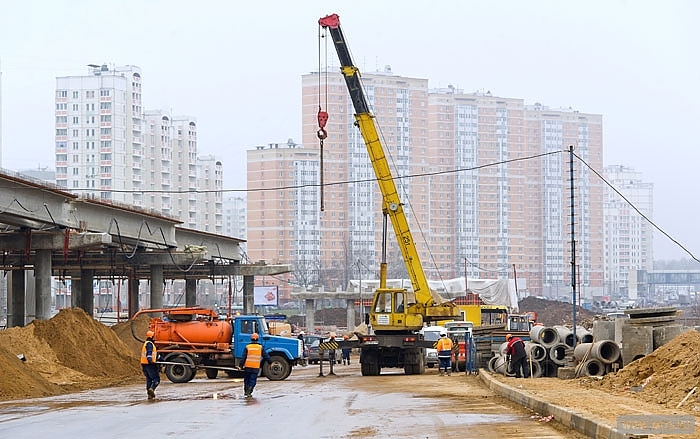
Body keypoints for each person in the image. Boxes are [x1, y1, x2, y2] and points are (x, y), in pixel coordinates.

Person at [239, 333, 268, 397]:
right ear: (257, 339)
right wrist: (270, 362)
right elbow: (265, 356)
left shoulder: (247, 347)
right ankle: (250, 391)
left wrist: (240, 366)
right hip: (255, 367)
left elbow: (243, 358)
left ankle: (246, 391)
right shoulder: (260, 347)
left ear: (251, 339)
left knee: (247, 379)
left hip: (247, 367)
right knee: (253, 379)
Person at [140, 330, 160, 399]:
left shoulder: (146, 343)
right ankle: (152, 389)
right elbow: (149, 353)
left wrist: (161, 359)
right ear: (151, 337)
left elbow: (156, 355)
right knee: (156, 378)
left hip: (144, 364)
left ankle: (149, 394)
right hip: (150, 364)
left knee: (149, 379)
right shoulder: (149, 344)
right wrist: (150, 359)